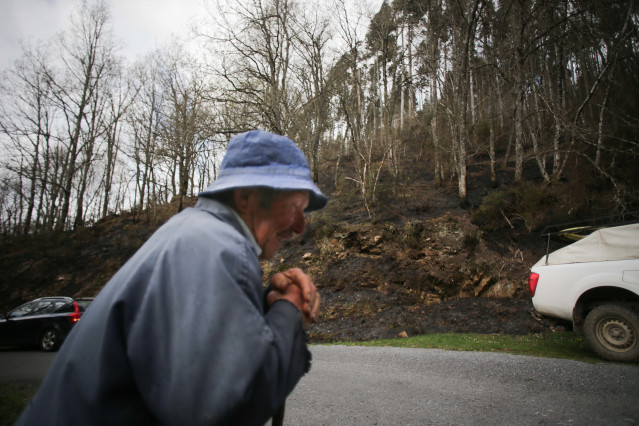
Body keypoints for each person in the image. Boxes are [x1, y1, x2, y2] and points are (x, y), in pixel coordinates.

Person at [16, 129, 328, 425]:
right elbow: (219, 410)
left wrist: (267, 304)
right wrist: (288, 310)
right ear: (245, 196)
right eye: (294, 207)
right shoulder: (215, 248)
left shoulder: (195, 234)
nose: (300, 227)